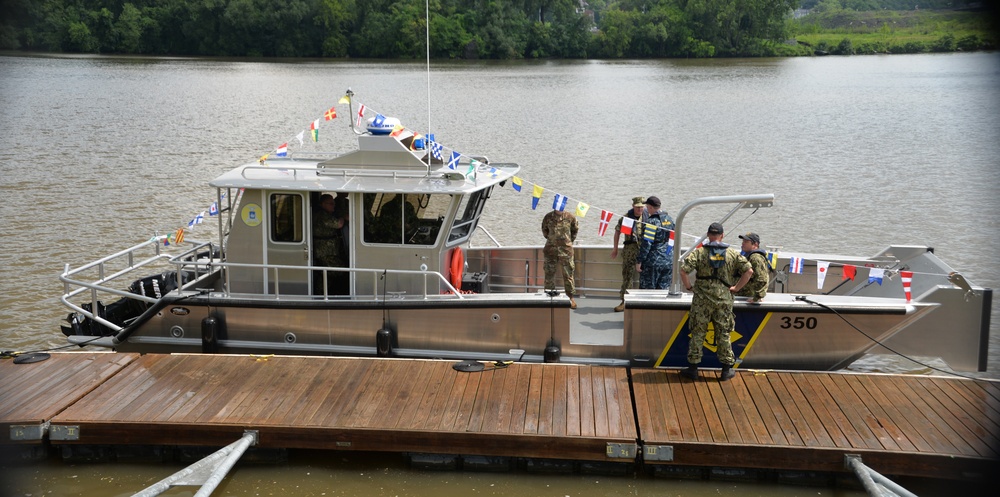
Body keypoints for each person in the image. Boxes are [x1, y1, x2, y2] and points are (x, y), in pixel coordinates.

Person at [678, 222, 753, 382]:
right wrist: (736, 288)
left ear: (708, 235)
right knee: (724, 333)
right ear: (722, 235)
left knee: (698, 333)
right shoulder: (732, 254)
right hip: (724, 300)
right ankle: (726, 370)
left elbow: (683, 270)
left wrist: (689, 286)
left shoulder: (699, 253)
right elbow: (749, 271)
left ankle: (693, 369)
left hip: (702, 300)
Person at [610, 196, 648, 312]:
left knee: (645, 277)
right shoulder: (626, 217)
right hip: (629, 250)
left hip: (644, 250)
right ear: (633, 206)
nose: (639, 209)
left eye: (641, 207)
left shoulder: (648, 217)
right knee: (627, 277)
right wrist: (615, 249)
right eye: (637, 207)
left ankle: (644, 302)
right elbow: (617, 232)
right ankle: (624, 301)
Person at [542, 207, 579, 309]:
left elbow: (574, 230)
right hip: (550, 250)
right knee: (549, 274)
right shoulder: (548, 217)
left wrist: (567, 242)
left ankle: (570, 298)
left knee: (568, 275)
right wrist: (552, 240)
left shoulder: (570, 217)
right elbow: (545, 231)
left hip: (566, 251)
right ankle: (548, 297)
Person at [636, 196, 675, 291]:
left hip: (653, 261)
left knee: (648, 292)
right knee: (663, 291)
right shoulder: (670, 219)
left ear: (650, 207)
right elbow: (674, 238)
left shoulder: (651, 222)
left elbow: (647, 244)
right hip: (668, 259)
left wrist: (639, 261)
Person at [313, 194, 348, 295]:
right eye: (331, 204)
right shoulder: (321, 214)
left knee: (327, 272)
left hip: (327, 250)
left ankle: (322, 293)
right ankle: (321, 294)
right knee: (339, 270)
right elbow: (338, 224)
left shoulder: (323, 213)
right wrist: (343, 217)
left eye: (334, 203)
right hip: (324, 251)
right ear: (323, 204)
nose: (333, 206)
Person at [736, 232, 769, 303]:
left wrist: (756, 298)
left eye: (746, 242)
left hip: (748, 297)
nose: (743, 243)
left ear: (755, 244)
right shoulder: (749, 256)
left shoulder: (755, 258)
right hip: (742, 295)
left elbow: (762, 279)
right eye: (743, 241)